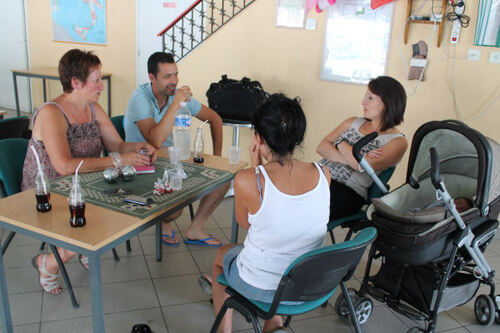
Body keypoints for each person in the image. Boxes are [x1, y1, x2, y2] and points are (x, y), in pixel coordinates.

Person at [22, 49, 156, 295]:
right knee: (104, 214)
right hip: (49, 190)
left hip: (83, 183)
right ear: (76, 82)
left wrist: (138, 147)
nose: (101, 86)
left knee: (123, 208)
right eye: (96, 80)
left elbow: (116, 145)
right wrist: (117, 160)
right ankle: (48, 262)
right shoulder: (52, 113)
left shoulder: (93, 108)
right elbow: (63, 166)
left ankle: (79, 248)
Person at [209, 94, 331, 333]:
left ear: (259, 138)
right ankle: (274, 323)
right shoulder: (323, 173)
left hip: (263, 286)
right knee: (288, 253)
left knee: (221, 256)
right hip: (307, 285)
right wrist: (259, 172)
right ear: (298, 137)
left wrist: (256, 169)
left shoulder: (247, 180)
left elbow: (247, 224)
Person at [124, 52, 229, 247]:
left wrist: (217, 158)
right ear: (151, 78)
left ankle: (195, 229)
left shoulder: (177, 96)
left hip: (171, 161)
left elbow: (215, 119)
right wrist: (175, 104)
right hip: (143, 165)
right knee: (175, 210)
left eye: (175, 75)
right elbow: (155, 139)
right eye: (167, 76)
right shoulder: (141, 99)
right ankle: (164, 221)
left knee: (223, 180)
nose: (174, 81)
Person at [317, 76, 408, 221]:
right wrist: (354, 156)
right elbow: (321, 147)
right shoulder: (353, 122)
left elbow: (363, 167)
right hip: (319, 176)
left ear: (387, 103)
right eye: (365, 96)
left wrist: (341, 144)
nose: (363, 102)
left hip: (346, 191)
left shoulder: (398, 142)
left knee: (297, 209)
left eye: (370, 98)